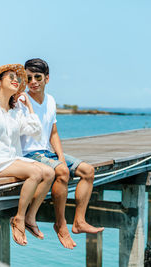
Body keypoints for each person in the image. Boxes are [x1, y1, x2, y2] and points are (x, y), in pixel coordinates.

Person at [0, 64, 55, 246]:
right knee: (36, 173)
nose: (16, 80)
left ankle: (30, 217)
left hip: (11, 159)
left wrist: (29, 106)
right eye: (11, 77)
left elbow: (35, 131)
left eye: (17, 78)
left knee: (49, 173)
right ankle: (19, 219)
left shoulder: (15, 110)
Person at [21, 58, 104, 249]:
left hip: (46, 152)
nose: (33, 81)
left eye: (37, 77)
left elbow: (54, 133)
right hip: (28, 154)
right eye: (28, 78)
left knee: (88, 171)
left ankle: (79, 222)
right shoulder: (21, 100)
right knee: (63, 172)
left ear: (47, 79)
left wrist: (60, 156)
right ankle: (61, 224)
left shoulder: (50, 101)